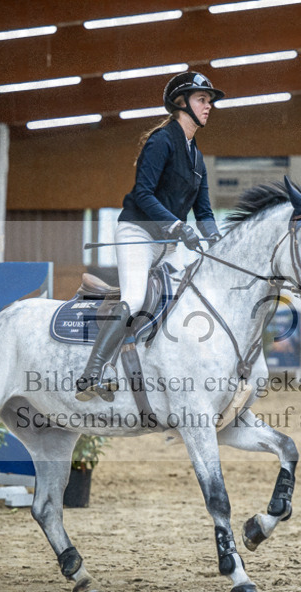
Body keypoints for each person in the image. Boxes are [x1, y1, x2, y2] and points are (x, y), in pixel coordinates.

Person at [76, 71, 225, 401]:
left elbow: (203, 211)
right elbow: (143, 193)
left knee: (190, 296)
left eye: (209, 101)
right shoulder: (162, 141)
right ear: (180, 103)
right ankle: (92, 373)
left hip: (167, 244)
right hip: (138, 233)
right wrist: (175, 225)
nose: (208, 106)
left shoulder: (196, 156)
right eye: (202, 99)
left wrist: (217, 239)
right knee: (135, 298)